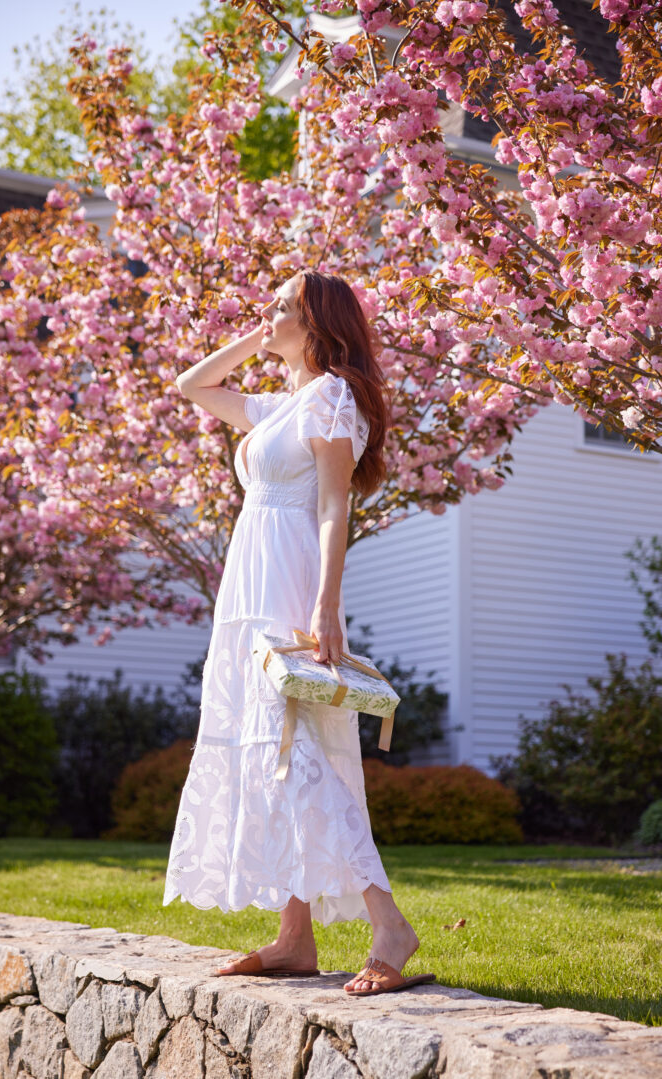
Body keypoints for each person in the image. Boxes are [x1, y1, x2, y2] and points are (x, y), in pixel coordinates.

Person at [163, 269, 435, 996]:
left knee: (301, 751)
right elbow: (192, 384)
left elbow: (333, 508)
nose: (268, 314)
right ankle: (295, 936)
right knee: (268, 754)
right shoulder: (282, 405)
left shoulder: (333, 398)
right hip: (245, 589)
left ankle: (389, 925)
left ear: (316, 322)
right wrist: (259, 336)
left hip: (288, 586)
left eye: (281, 307)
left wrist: (326, 605)